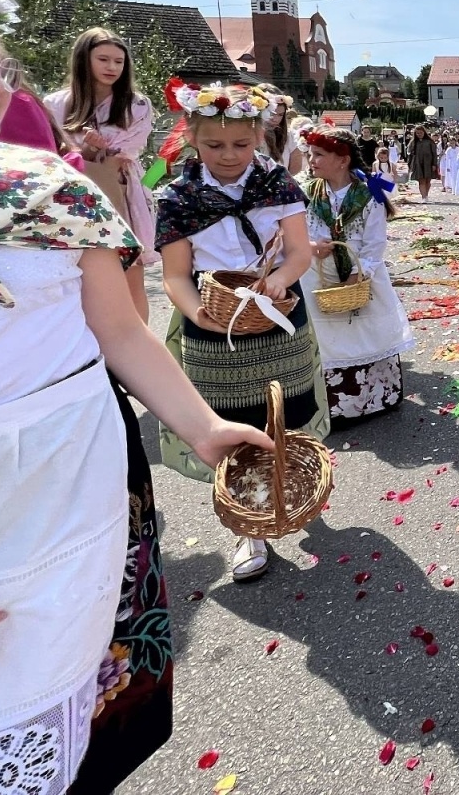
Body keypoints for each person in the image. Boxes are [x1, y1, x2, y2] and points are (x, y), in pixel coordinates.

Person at [0, 0, 270, 794]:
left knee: (77, 727)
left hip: (74, 512)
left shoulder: (48, 189)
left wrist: (203, 425)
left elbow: (118, 329)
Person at [154, 82, 327, 584]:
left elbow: (296, 253)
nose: (228, 156)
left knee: (284, 415)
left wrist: (277, 281)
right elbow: (175, 275)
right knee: (231, 421)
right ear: (192, 139)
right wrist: (199, 314)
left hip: (275, 318)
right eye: (214, 145)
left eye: (240, 145)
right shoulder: (179, 197)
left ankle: (291, 488)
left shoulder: (279, 185)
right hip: (214, 328)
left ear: (258, 138)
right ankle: (246, 524)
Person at [301, 127, 415, 425]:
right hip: (320, 273)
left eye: (318, 155)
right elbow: (298, 230)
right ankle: (333, 405)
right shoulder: (309, 191)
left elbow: (374, 242)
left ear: (342, 160)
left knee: (365, 330)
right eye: (310, 154)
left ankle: (373, 398)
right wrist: (312, 245)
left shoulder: (369, 194)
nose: (311, 160)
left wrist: (357, 274)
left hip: (361, 273)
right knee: (327, 335)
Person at [44, 27, 158, 320]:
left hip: (120, 193)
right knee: (82, 280)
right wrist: (85, 153)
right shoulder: (56, 104)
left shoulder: (137, 104)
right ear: (84, 60)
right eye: (103, 59)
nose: (112, 68)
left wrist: (97, 150)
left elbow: (127, 153)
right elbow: (49, 153)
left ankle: (137, 351)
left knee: (132, 278)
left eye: (119, 62)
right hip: (71, 194)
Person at [407, 124, 438, 201]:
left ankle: (426, 195)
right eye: (417, 133)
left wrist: (434, 164)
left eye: (420, 132)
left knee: (428, 181)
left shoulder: (430, 141)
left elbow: (434, 153)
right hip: (418, 163)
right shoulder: (413, 142)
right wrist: (410, 164)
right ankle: (424, 197)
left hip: (428, 163)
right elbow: (409, 153)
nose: (419, 134)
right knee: (421, 181)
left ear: (424, 132)